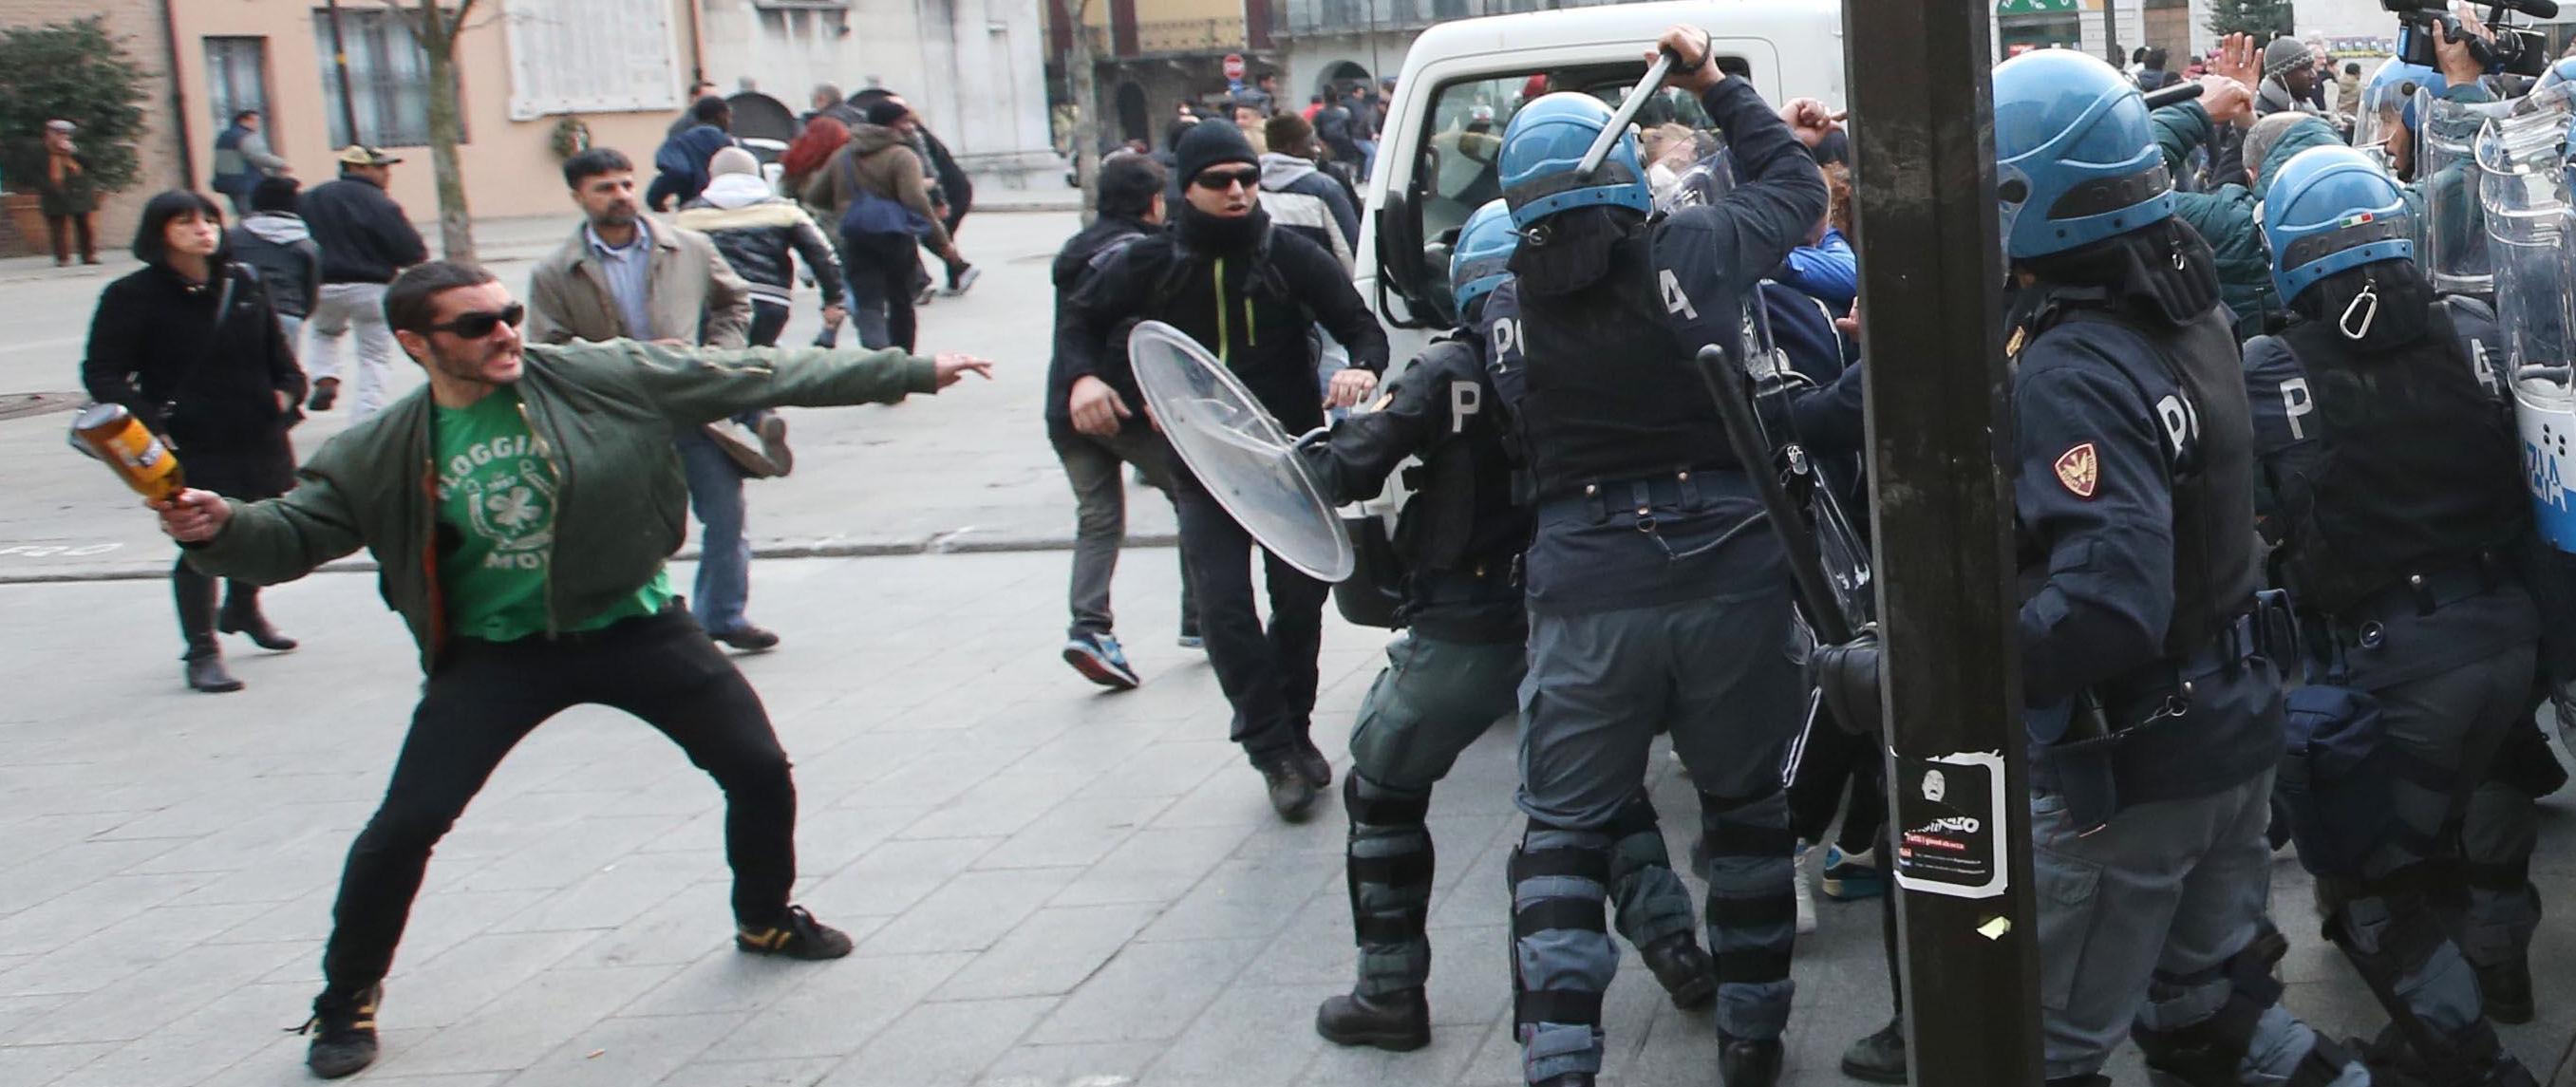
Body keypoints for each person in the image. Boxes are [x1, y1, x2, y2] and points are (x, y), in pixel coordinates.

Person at [153, 259, 990, 1080]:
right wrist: (221, 526)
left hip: (632, 624)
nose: (505, 333)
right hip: (493, 654)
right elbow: (295, 534)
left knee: (759, 769)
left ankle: (765, 918)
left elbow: (749, 368)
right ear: (414, 342)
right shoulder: (383, 447)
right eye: (476, 325)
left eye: (508, 313)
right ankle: (345, 1000)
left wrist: (910, 368)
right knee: (405, 826)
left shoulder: (600, 375)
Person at [1913, 49, 2371, 1087]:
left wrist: (1945, 661)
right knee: (2208, 1012)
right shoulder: (2181, 299)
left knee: (2037, 1044)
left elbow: (2109, 602)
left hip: (2133, 767)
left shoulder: (2073, 362)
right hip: (2230, 720)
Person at [1488, 26, 1828, 1086]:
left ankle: (1560, 1055)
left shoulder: (1502, 310)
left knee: (1563, 832)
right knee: (1743, 811)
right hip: (1727, 564)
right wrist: (1713, 85)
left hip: (1586, 582)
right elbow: (1794, 187)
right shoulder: (1694, 252)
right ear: (1626, 170)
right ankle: (1750, 1031)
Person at [1299, 199, 1720, 1052]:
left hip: (1470, 621)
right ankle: (1676, 947)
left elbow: (1346, 467)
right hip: (1579, 610)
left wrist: (1281, 457)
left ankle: (1388, 990)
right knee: (1596, 790)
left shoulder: (1448, 367)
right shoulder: (1599, 350)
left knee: (1380, 786)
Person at [2247, 145, 2546, 1084]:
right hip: (2510, 637)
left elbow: (2260, 517)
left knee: (2373, 892)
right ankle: (2439, 1031)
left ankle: (2475, 1059)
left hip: (2402, 663)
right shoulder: (2472, 323)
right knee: (2440, 839)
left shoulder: (2272, 364)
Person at [1055, 120, 1389, 820]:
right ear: (1187, 187)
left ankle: (1295, 729)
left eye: (1246, 178)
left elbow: (1359, 324)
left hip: (1287, 456)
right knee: (1223, 608)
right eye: (1218, 182)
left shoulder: (1288, 254)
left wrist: (1361, 368)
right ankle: (1269, 749)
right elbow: (1078, 321)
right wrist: (1083, 379)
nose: (1237, 192)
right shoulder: (1149, 261)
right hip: (1200, 463)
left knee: (1299, 606)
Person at [527, 148, 788, 652]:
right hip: (619, 415)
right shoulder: (556, 273)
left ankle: (723, 615)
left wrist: (718, 356)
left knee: (725, 514)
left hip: (693, 404)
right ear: (578, 196)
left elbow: (734, 301)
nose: (621, 195)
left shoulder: (687, 247)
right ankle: (637, 620)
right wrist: (626, 358)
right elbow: (549, 350)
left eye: (626, 183)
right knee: (628, 523)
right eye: (604, 187)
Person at [85, 190, 307, 693]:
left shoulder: (244, 282)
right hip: (187, 441)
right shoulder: (131, 295)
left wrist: (286, 394)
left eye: (209, 219)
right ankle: (202, 649)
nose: (203, 229)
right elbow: (103, 371)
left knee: (256, 525)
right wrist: (146, 425)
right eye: (185, 222)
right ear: (159, 232)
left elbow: (281, 357)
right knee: (199, 539)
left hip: (257, 433)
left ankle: (244, 610)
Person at [1049, 154, 1197, 688]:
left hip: (1067, 405)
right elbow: (1126, 331)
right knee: (1193, 495)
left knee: (1098, 518)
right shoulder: (1139, 255)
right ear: (1156, 202)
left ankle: (1089, 627)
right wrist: (1148, 396)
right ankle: (1199, 618)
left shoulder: (1076, 249)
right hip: (1120, 406)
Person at [800, 99, 962, 353]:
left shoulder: (843, 155)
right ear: (893, 124)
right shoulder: (902, 156)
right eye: (905, 121)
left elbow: (815, 195)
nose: (910, 126)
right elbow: (916, 201)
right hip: (896, 237)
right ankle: (900, 363)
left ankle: (877, 351)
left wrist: (847, 205)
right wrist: (943, 243)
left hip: (855, 236)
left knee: (867, 302)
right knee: (901, 301)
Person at [676, 146, 849, 352]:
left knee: (719, 358)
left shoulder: (687, 216)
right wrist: (833, 298)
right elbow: (822, 255)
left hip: (712, 302)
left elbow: (670, 261)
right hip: (770, 299)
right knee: (760, 356)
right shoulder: (784, 211)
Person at [300, 145, 427, 417]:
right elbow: (410, 249)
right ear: (356, 168)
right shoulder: (379, 202)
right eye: (379, 167)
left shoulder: (311, 198)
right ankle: (367, 415)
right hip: (371, 287)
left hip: (322, 284)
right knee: (374, 356)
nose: (386, 173)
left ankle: (325, 377)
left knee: (325, 332)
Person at [228, 177, 322, 347]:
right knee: (285, 371)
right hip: (288, 313)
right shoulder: (306, 245)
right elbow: (311, 290)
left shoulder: (233, 238)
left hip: (243, 313)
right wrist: (300, 313)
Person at [1259, 112, 1359, 265]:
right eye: (1311, 143)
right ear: (1293, 149)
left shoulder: (1252, 187)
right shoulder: (1324, 188)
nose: (1317, 149)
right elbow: (1349, 249)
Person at [650, 95, 737, 212]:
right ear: (721, 116)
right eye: (729, 117)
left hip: (694, 212)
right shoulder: (733, 146)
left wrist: (655, 200)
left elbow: (676, 171)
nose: (730, 122)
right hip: (731, 209)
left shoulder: (678, 142)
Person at [33, 120, 98, 267]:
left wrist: (74, 152)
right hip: (54, 192)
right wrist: (48, 187)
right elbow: (34, 172)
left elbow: (90, 165)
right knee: (57, 226)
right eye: (58, 133)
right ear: (49, 134)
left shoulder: (74, 150)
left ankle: (88, 256)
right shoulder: (40, 150)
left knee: (84, 225)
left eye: (65, 134)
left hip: (78, 192)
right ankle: (62, 258)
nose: (62, 137)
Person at [210, 110, 291, 216]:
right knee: (253, 214)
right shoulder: (245, 136)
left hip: (228, 182)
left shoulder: (225, 136)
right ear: (244, 120)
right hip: (248, 182)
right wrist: (282, 164)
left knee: (243, 213)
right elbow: (258, 156)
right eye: (255, 121)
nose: (257, 125)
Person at [2259, 35, 2320, 116]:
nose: (2313, 75)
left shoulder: (2303, 107)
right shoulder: (2263, 116)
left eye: (2312, 67)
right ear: (2281, 75)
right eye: (2305, 68)